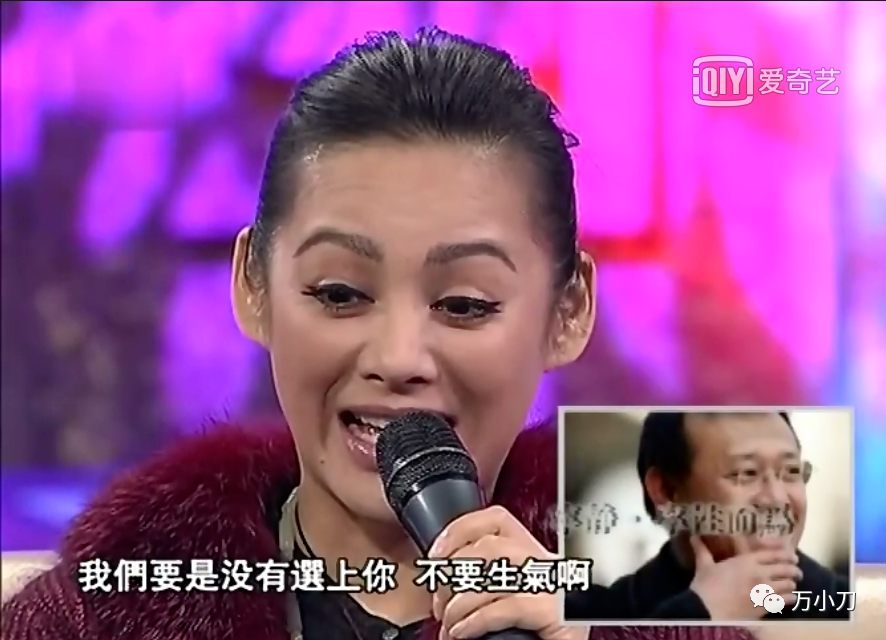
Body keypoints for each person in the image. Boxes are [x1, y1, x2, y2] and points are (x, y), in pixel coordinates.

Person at [1, 29, 757, 640]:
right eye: (339, 293)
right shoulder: (89, 619)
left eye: (464, 304)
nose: (398, 358)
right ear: (253, 286)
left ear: (569, 311)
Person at [567, 411, 850, 622]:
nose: (777, 499)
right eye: (747, 473)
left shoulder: (848, 607)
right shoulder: (589, 618)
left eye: (791, 472)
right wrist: (698, 613)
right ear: (665, 492)